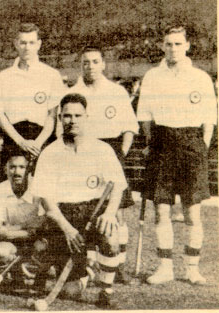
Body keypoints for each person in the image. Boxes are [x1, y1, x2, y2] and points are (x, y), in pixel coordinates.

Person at [137, 26, 216, 285]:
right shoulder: (151, 76)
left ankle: (192, 269)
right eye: (168, 44)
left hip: (192, 145)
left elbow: (209, 119)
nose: (173, 48)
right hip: (162, 144)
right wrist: (153, 143)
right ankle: (165, 268)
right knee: (161, 212)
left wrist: (201, 147)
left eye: (178, 44)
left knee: (192, 213)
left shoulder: (201, 77)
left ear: (187, 46)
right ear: (162, 46)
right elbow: (145, 117)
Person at [32, 93, 127, 308]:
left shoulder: (102, 149)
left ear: (86, 117)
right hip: (62, 217)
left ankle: (106, 292)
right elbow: (47, 202)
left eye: (77, 115)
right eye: (67, 116)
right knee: (69, 292)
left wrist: (110, 212)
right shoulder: (49, 153)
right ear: (60, 118)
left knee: (111, 238)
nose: (72, 120)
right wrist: (67, 229)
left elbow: (118, 186)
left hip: (94, 212)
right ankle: (87, 272)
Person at [69, 46, 139, 283]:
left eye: (95, 61)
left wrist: (121, 153)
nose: (90, 66)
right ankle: (89, 266)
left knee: (116, 214)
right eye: (85, 62)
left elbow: (130, 127)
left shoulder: (117, 91)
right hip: (82, 153)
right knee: (86, 208)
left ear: (103, 64)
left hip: (111, 151)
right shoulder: (73, 92)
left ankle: (117, 266)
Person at [0, 23, 65, 173]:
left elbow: (52, 115)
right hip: (13, 139)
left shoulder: (51, 75)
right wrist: (20, 141)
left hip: (42, 139)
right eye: (23, 42)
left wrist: (37, 143)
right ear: (16, 44)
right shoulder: (4, 76)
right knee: (11, 187)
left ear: (39, 44)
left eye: (31, 42)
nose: (27, 47)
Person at [0, 153, 48, 292]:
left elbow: (38, 229)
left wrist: (10, 230)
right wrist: (23, 229)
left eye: (22, 167)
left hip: (35, 241)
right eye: (12, 167)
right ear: (5, 169)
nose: (17, 172)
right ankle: (15, 277)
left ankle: (39, 280)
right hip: (12, 241)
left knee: (42, 248)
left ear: (29, 170)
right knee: (1, 251)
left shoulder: (40, 189)